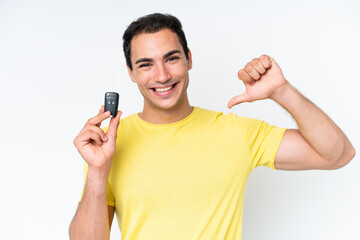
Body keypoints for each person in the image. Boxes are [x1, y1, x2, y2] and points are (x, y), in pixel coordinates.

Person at [68, 13, 355, 240]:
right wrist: (97, 171)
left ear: (189, 59)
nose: (162, 75)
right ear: (131, 73)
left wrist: (282, 91)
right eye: (146, 65)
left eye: (172, 58)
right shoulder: (108, 147)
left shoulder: (237, 134)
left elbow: (338, 154)